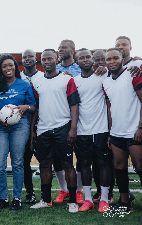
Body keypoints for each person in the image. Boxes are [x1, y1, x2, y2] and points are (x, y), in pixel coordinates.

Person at [30, 49, 80, 213]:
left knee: (67, 164)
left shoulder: (66, 79)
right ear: (41, 61)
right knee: (45, 164)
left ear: (56, 59)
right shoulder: (37, 81)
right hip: (44, 129)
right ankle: (46, 200)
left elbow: (74, 104)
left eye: (50, 58)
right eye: (44, 59)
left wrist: (73, 128)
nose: (47, 62)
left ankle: (72, 201)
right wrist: (33, 130)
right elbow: (37, 107)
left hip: (63, 126)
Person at [0, 54, 36, 211]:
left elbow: (33, 107)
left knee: (17, 162)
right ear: (0, 70)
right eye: (4, 66)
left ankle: (17, 198)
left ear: (15, 68)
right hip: (0, 126)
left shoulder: (24, 85)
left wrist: (25, 107)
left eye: (11, 65)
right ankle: (2, 198)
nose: (8, 68)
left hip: (19, 125)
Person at [103, 48, 142, 213]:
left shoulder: (132, 74)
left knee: (140, 167)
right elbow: (110, 109)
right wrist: (110, 132)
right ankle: (125, 202)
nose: (112, 61)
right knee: (119, 167)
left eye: (115, 58)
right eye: (108, 59)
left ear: (122, 58)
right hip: (117, 133)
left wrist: (140, 127)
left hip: (134, 131)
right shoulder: (105, 82)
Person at [74, 48, 111, 212]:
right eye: (81, 58)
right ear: (77, 62)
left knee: (103, 163)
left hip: (101, 128)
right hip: (82, 130)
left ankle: (104, 199)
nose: (85, 59)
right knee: (84, 165)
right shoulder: (74, 81)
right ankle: (87, 200)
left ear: (93, 59)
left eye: (88, 57)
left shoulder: (103, 75)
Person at [52, 39, 84, 204]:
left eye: (64, 47)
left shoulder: (81, 68)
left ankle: (78, 190)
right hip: (58, 119)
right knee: (58, 157)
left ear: (73, 50)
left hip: (79, 116)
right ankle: (63, 189)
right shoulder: (54, 69)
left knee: (79, 155)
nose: (61, 50)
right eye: (59, 48)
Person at [91, 50, 115, 204]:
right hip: (92, 126)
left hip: (109, 126)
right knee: (95, 162)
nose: (100, 62)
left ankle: (110, 193)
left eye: (102, 60)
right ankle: (99, 191)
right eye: (97, 60)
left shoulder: (111, 75)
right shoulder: (91, 77)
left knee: (108, 162)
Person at [20, 49, 43, 204]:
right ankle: (30, 193)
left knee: (45, 160)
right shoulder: (18, 76)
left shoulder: (43, 76)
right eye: (24, 57)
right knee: (24, 161)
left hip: (43, 124)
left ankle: (47, 193)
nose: (27, 59)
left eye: (30, 56)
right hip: (22, 125)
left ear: (36, 59)